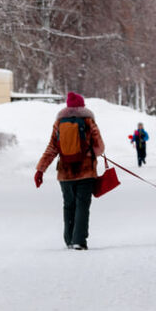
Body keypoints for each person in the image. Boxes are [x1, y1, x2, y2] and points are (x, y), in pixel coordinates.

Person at [34, 92, 106, 250]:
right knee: (82, 205)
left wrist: (40, 170)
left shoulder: (59, 122)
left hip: (65, 173)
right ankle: (78, 240)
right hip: (86, 171)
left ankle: (69, 239)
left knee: (69, 205)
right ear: (82, 105)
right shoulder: (88, 120)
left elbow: (52, 148)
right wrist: (87, 153)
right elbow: (100, 147)